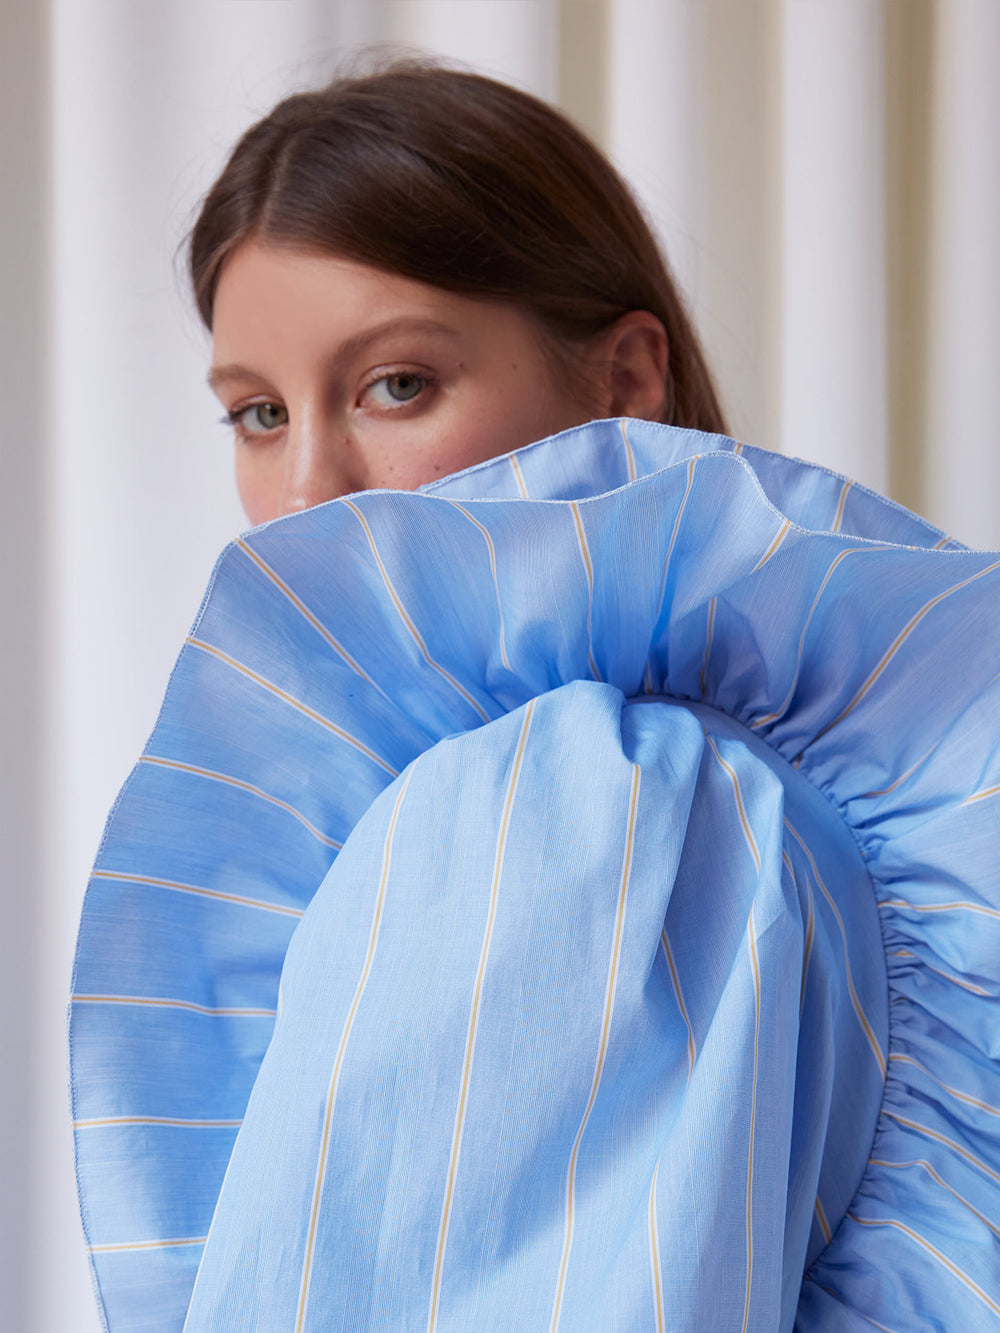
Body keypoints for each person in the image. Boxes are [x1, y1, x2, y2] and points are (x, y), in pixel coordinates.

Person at [70, 62, 1000, 1333]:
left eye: (396, 384)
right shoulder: (773, 799)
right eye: (260, 412)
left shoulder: (575, 798)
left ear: (624, 379)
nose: (306, 492)